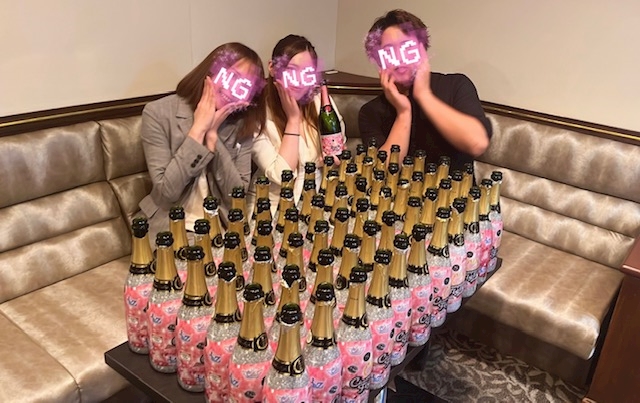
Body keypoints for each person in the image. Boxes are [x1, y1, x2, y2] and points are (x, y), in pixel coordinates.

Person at [138, 42, 266, 241]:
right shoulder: (158, 113)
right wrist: (198, 130)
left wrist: (213, 136)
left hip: (222, 227)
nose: (232, 89)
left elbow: (237, 198)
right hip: (171, 228)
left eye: (243, 87)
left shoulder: (242, 124)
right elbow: (166, 192)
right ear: (211, 71)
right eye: (230, 77)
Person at [359, 9, 492, 172]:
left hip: (455, 187)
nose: (399, 58)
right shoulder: (370, 112)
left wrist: (424, 95)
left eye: (407, 47)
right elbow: (382, 172)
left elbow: (477, 143)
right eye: (388, 52)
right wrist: (403, 113)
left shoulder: (456, 85)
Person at [251, 34, 345, 214]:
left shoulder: (320, 102)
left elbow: (338, 147)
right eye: (291, 70)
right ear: (272, 67)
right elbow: (282, 176)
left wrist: (333, 160)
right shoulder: (257, 114)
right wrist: (293, 120)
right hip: (271, 209)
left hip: (317, 203)